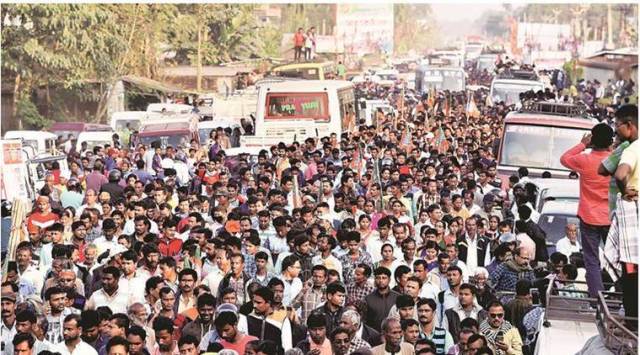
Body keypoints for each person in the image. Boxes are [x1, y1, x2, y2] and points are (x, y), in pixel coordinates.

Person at [560, 123, 613, 298]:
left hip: (589, 217)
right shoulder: (615, 160)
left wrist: (583, 144)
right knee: (617, 259)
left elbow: (564, 158)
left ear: (593, 140)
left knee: (592, 260)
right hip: (610, 218)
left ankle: (596, 298)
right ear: (610, 141)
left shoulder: (584, 159)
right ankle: (622, 294)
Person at [364, 267, 400, 332]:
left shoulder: (398, 297)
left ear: (389, 280)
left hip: (395, 333)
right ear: (375, 280)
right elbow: (365, 321)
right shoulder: (368, 299)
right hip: (374, 336)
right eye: (378, 278)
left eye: (384, 278)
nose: (381, 280)